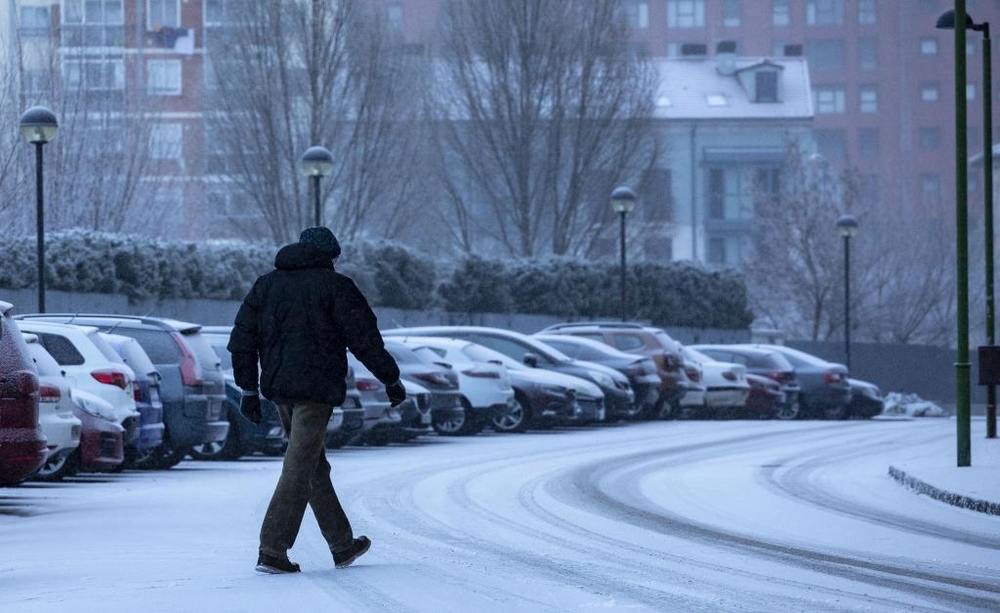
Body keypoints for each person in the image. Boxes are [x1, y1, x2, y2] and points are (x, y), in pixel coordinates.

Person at [228, 226, 406, 574]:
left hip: (280, 388)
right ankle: (273, 549)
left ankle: (342, 544)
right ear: (328, 257)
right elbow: (365, 338)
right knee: (299, 464)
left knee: (310, 464)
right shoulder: (336, 287)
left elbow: (242, 340)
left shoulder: (266, 285)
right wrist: (391, 378)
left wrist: (248, 389)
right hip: (316, 391)